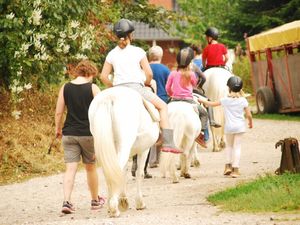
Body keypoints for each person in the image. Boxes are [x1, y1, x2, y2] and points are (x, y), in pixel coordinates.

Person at [100, 18, 180, 154]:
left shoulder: (111, 54)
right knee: (163, 106)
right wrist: (147, 82)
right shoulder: (138, 51)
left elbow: (103, 77)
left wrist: (113, 85)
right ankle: (168, 142)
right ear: (131, 35)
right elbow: (149, 73)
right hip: (136, 88)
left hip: (118, 89)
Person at [55, 60, 105, 214]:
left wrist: (58, 129)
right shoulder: (93, 88)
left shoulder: (65, 87)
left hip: (69, 133)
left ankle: (67, 202)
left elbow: (59, 111)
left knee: (70, 169)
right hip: (88, 135)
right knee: (90, 168)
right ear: (90, 73)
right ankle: (95, 201)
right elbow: (102, 113)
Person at [198, 76, 253, 178]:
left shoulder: (225, 100)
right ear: (240, 88)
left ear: (229, 88)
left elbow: (211, 104)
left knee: (230, 147)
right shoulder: (243, 101)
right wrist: (250, 123)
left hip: (229, 128)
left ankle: (227, 166)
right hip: (240, 128)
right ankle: (235, 170)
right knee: (237, 147)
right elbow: (249, 115)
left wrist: (202, 100)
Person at [165, 47, 216, 148]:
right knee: (204, 113)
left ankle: (166, 139)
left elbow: (167, 88)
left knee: (164, 115)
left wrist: (172, 94)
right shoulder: (191, 74)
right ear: (189, 63)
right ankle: (200, 135)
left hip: (174, 99)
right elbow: (194, 85)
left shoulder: (173, 73)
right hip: (189, 101)